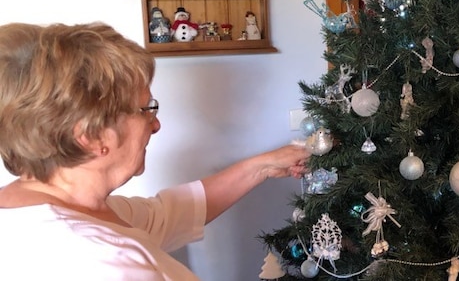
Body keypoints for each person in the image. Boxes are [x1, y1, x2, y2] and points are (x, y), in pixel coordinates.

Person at [0, 22, 309, 280]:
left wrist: (263, 166)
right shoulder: (102, 263)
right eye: (145, 110)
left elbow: (166, 215)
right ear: (91, 135)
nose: (155, 124)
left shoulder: (64, 206)